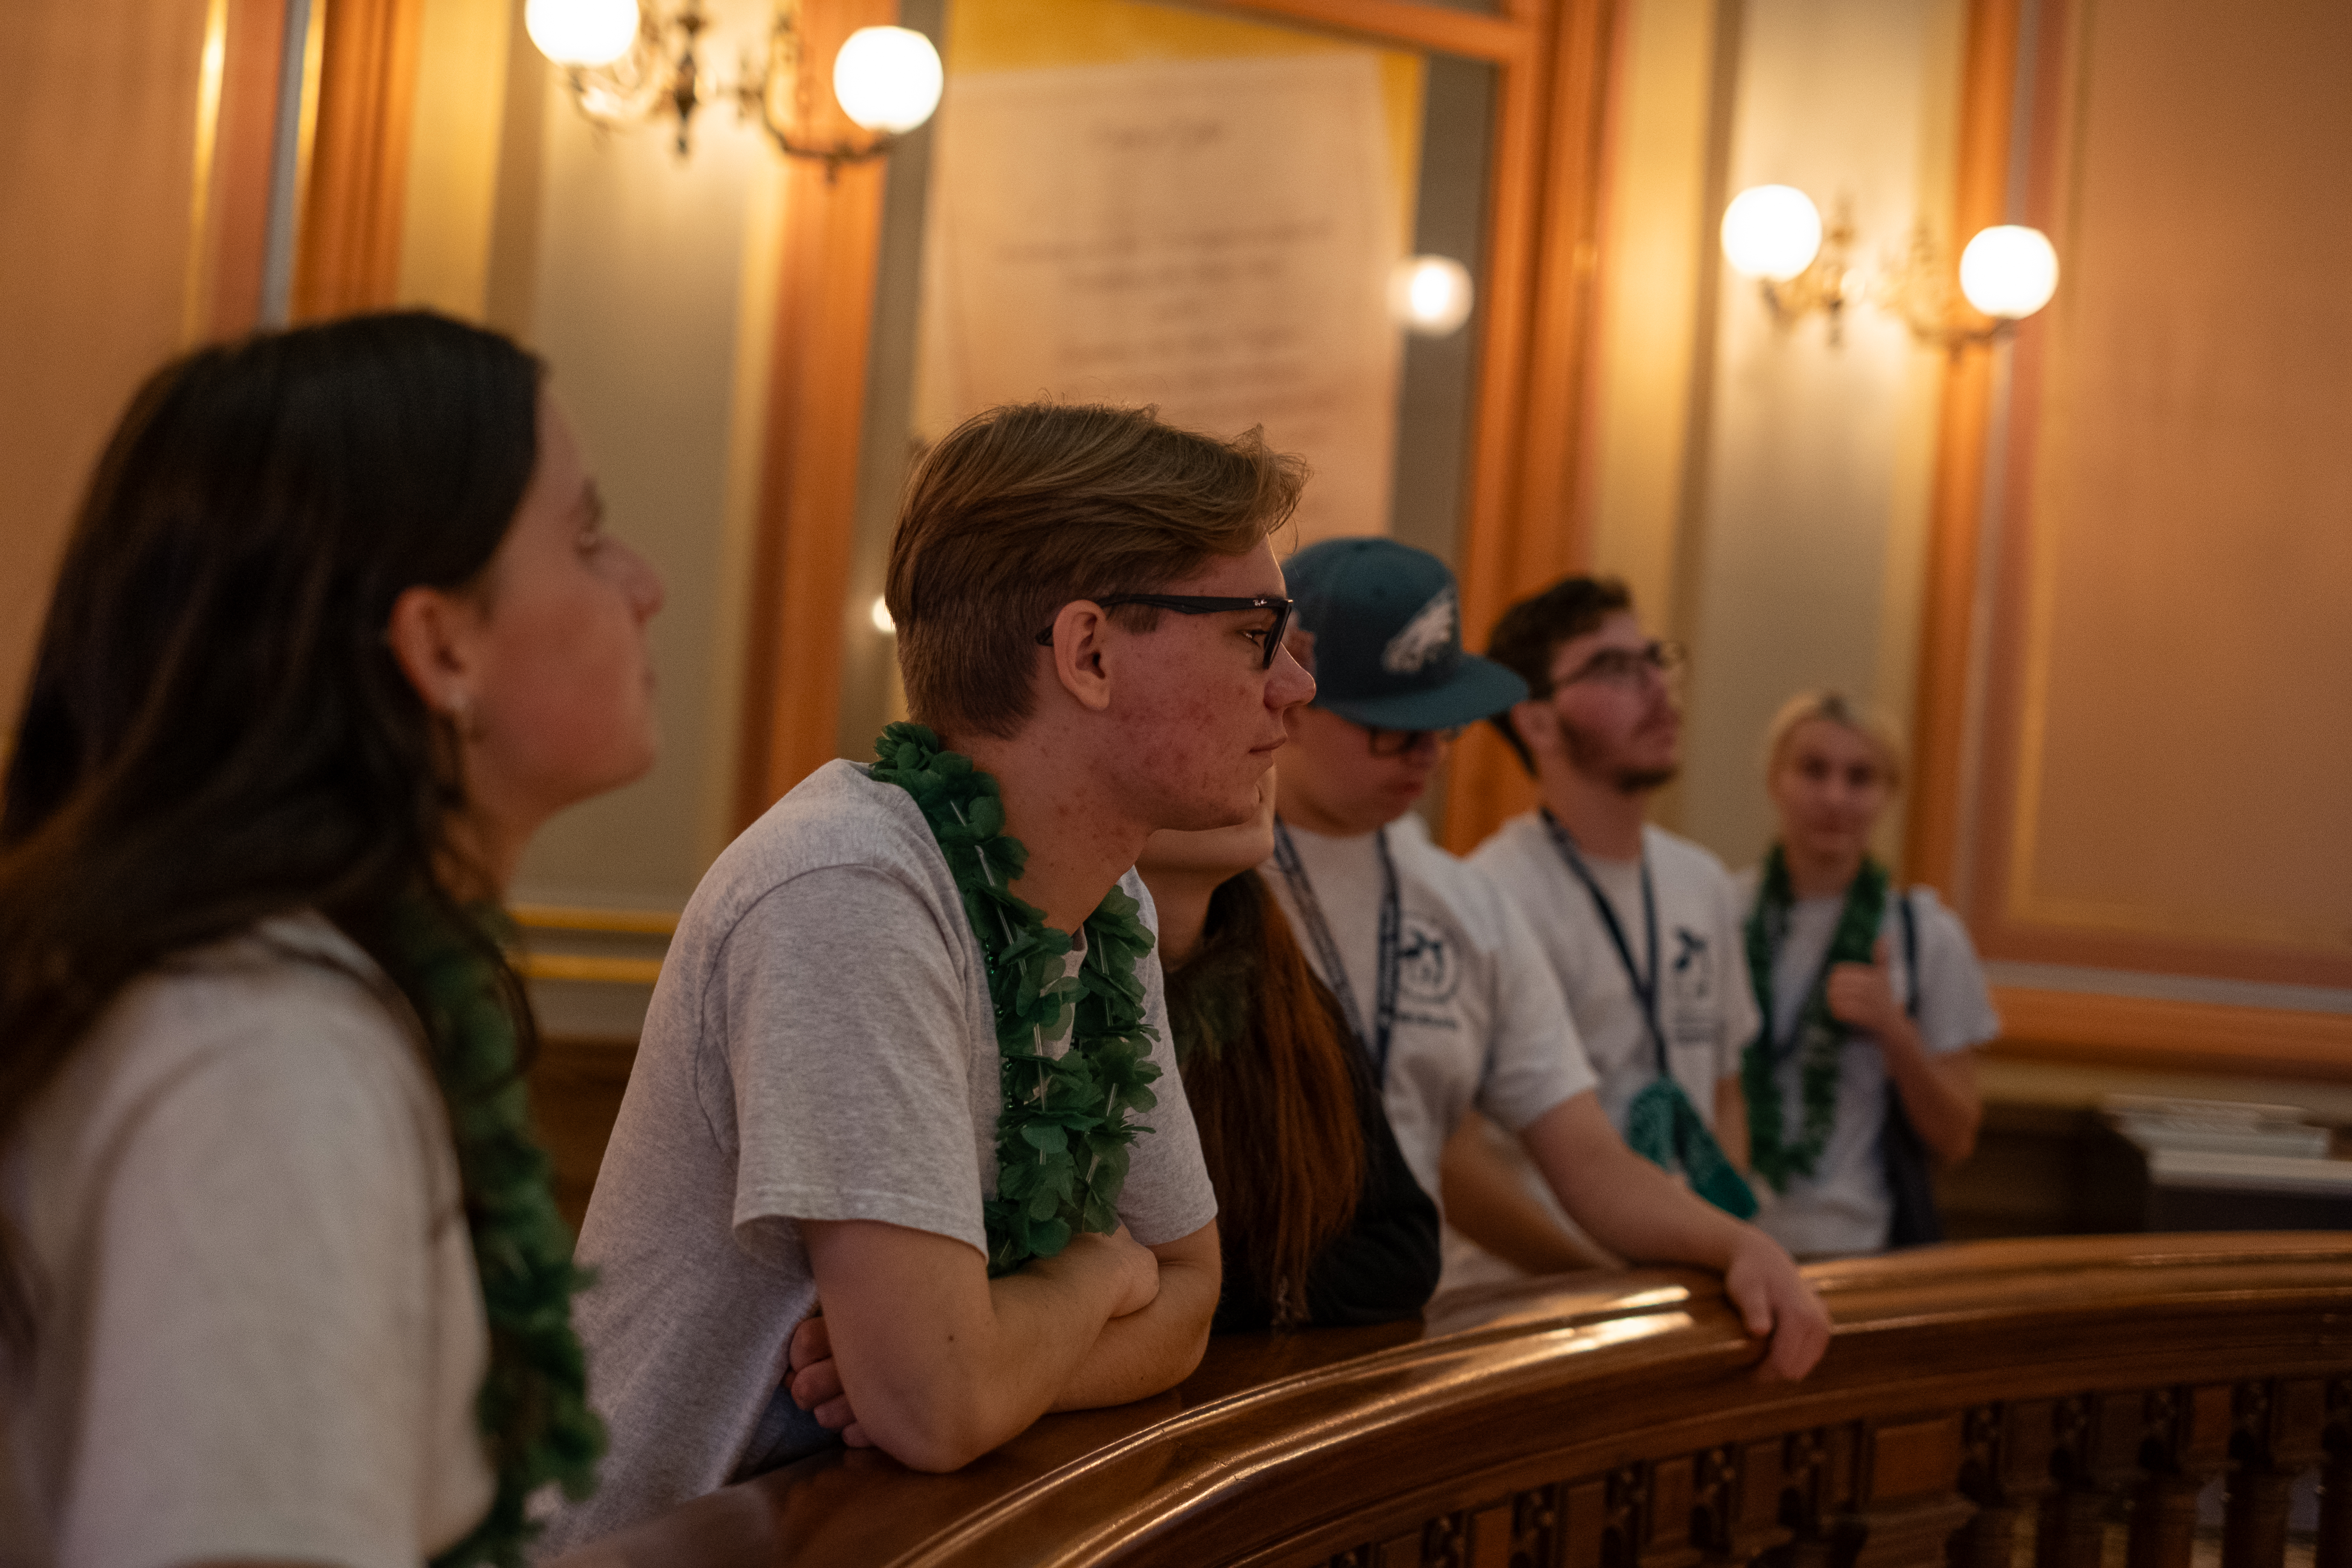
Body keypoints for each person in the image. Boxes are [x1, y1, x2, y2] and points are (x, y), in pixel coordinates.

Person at [543, 402, 1315, 1551]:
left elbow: (1191, 1294)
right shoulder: (848, 889)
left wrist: (1000, 1356)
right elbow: (940, 1405)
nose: (1294, 687)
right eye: (1255, 635)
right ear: (1090, 654)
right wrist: (1092, 1280)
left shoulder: (1108, 901)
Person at [0, 313, 657, 1565]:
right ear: (441, 645)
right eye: (585, 537)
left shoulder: (284, 1002)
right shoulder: (269, 1064)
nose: (644, 586)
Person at [1265, 538, 1828, 1378]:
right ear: (1290, 701)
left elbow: (1588, 1157)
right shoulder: (1205, 876)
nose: (1427, 757)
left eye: (1440, 725)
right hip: (1243, 1337)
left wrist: (1737, 1245)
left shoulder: (1466, 906)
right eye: (1390, 729)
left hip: (1407, 1339)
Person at [1451, 575, 1762, 1280]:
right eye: (1616, 668)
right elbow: (1456, 1153)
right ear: (1537, 722)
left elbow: (1724, 1089)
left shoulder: (1702, 881)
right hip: (1535, 1291)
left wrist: (1718, 1239)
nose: (1657, 688)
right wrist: (1597, 1274)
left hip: (1678, 1277)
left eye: (1655, 659)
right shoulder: (1487, 896)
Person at [1135, 772, 1441, 1332]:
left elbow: (1405, 1248)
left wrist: (1211, 1291)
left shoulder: (1284, 984)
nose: (1262, 751)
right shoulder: (1051, 983)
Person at [1737, 691, 1995, 1258]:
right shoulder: (1725, 915)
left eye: (1860, 778)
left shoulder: (1926, 935)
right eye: (1814, 771)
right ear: (1776, 780)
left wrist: (1895, 1032)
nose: (1835, 797)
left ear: (1887, 795)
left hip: (1859, 1250)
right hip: (1728, 1241)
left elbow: (1957, 1138)